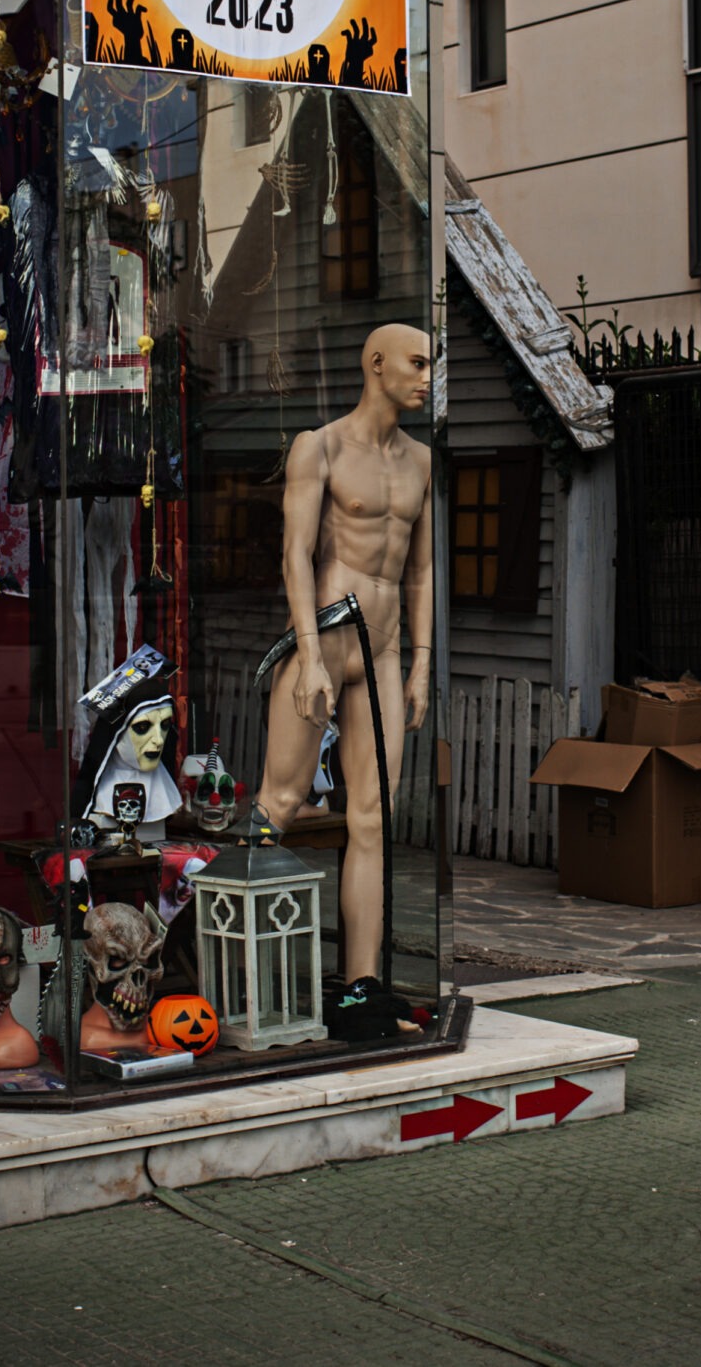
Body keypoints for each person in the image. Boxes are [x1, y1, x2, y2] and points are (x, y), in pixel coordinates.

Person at [251, 323, 434, 1038]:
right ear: (377, 364)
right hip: (326, 637)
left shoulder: (422, 461)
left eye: (431, 364)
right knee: (278, 803)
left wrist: (421, 662)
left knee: (372, 820)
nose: (427, 377)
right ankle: (229, 967)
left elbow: (422, 568)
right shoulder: (319, 446)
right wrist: (307, 656)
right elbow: (294, 554)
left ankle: (362, 986)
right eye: (417, 363)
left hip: (383, 651)